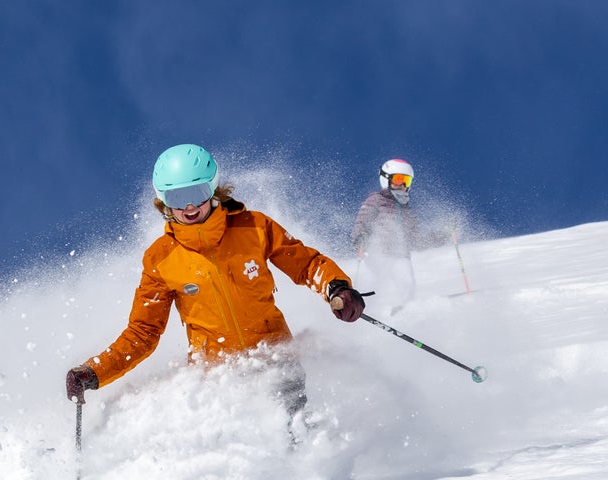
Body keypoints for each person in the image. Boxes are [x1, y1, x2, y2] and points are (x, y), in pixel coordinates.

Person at [66, 143, 368, 421]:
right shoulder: (161, 258)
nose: (189, 207)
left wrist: (336, 287)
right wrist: (94, 371)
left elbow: (306, 264)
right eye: (176, 197)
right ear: (163, 202)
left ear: (212, 190)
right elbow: (143, 333)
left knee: (294, 435)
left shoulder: (253, 227)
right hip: (217, 378)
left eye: (196, 193)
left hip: (275, 358)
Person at [350, 159, 420, 313]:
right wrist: (360, 237)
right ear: (386, 179)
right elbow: (361, 221)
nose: (402, 185)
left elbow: (416, 239)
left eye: (406, 181)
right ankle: (369, 310)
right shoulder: (376, 200)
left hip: (401, 255)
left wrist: (443, 235)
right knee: (380, 283)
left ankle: (405, 313)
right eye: (398, 179)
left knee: (408, 284)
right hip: (379, 252)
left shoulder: (407, 210)